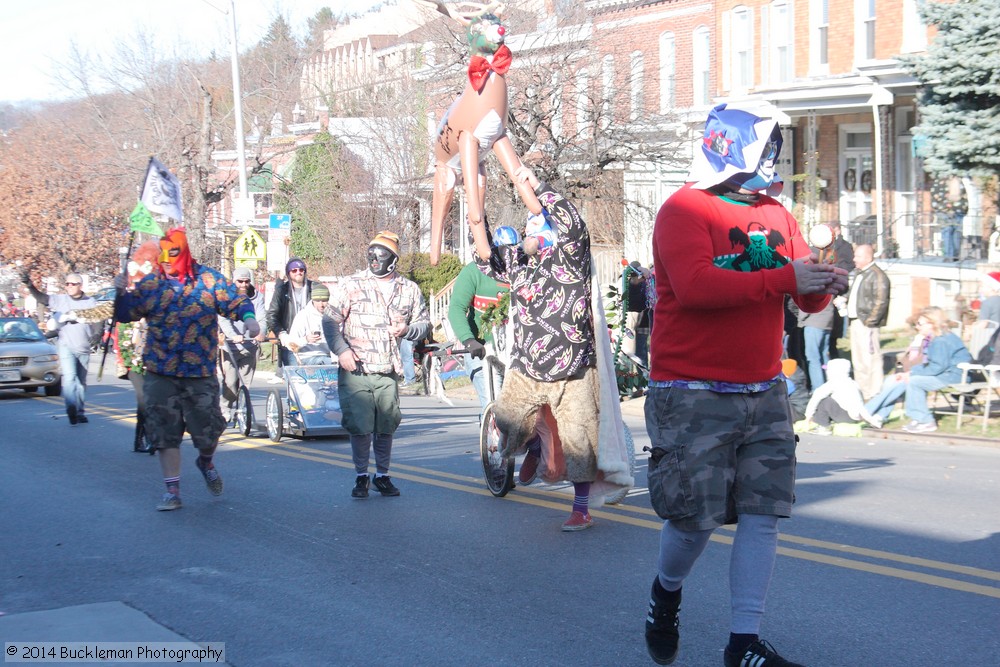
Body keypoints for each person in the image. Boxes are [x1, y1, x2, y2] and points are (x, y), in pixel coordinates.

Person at [642, 104, 848, 667]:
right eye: (766, 146)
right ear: (732, 147)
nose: (774, 157)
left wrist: (823, 283)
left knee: (763, 514)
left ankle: (743, 643)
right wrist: (786, 277)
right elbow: (696, 287)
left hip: (764, 390)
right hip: (692, 390)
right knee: (693, 523)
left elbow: (803, 296)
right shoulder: (684, 207)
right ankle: (666, 593)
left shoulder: (778, 213)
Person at [475, 168, 633, 532]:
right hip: (527, 366)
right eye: (529, 230)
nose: (532, 235)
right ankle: (532, 442)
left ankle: (581, 508)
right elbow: (486, 257)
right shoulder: (519, 265)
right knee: (507, 420)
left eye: (538, 228)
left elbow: (573, 223)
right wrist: (476, 206)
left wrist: (537, 187)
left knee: (580, 439)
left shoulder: (572, 257)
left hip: (573, 367)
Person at [114, 228, 260, 511]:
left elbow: (236, 300)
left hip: (199, 371)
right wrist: (120, 291)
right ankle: (172, 491)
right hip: (160, 371)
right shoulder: (152, 283)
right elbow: (125, 313)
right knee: (164, 432)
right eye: (163, 259)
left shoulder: (208, 280)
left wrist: (250, 320)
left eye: (172, 257)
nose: (167, 263)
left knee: (209, 431)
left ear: (184, 254)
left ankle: (205, 460)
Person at [323, 231, 430, 499]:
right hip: (355, 368)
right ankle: (361, 476)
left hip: (387, 369)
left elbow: (425, 323)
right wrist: (341, 350)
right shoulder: (351, 284)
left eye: (380, 255)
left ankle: (382, 475)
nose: (374, 259)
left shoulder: (409, 289)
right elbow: (329, 321)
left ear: (393, 259)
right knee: (360, 426)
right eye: (371, 253)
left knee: (386, 425)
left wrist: (407, 329)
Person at [863, 306, 971, 433]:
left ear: (932, 323)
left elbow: (937, 367)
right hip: (944, 373)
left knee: (914, 382)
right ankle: (878, 416)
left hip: (954, 376)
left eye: (920, 324)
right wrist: (907, 373)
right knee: (894, 379)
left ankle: (925, 421)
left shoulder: (941, 340)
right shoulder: (934, 338)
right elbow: (931, 365)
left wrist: (912, 373)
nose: (917, 327)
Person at [23, 271, 99, 424]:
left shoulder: (90, 302)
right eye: (67, 284)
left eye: (73, 284)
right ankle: (71, 408)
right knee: (70, 378)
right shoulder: (60, 300)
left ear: (80, 285)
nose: (69, 286)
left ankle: (80, 411)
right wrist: (30, 285)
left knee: (81, 382)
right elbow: (42, 298)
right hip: (66, 344)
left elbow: (98, 319)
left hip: (83, 346)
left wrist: (97, 335)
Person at [446, 261, 509, 410]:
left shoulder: (521, 270)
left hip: (514, 352)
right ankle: (490, 427)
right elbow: (456, 308)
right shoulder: (473, 271)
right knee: (493, 402)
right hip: (482, 350)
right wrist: (469, 340)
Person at [845, 244, 891, 400]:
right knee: (858, 359)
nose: (854, 259)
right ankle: (863, 391)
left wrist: (870, 321)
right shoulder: (860, 273)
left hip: (867, 323)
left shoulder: (877, 275)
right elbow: (856, 295)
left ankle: (874, 391)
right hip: (856, 321)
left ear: (867, 257)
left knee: (870, 358)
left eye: (857, 256)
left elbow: (881, 301)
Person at [218, 266, 263, 422]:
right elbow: (223, 318)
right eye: (240, 281)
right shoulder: (226, 297)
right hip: (230, 346)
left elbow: (262, 318)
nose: (243, 284)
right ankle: (225, 409)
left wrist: (259, 332)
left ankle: (242, 411)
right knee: (230, 382)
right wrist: (233, 335)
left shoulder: (257, 297)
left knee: (245, 384)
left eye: (246, 281)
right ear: (233, 281)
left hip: (250, 346)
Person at [802, 358, 883, 434]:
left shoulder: (834, 382)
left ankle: (824, 427)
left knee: (825, 401)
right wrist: (869, 419)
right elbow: (860, 403)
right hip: (856, 417)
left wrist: (808, 416)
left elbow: (816, 396)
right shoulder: (852, 383)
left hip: (846, 416)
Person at [265, 257, 314, 382]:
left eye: (301, 269)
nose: (298, 272)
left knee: (316, 381)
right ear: (288, 273)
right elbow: (272, 315)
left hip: (313, 341)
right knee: (296, 381)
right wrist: (281, 333)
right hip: (291, 341)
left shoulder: (314, 288)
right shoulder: (282, 291)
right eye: (294, 270)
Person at [280, 283, 334, 365]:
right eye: (317, 301)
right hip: (306, 358)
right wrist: (306, 339)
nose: (321, 304)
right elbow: (291, 344)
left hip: (327, 357)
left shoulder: (334, 317)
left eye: (324, 301)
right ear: (312, 300)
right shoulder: (303, 316)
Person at [826, 221, 854, 361]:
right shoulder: (826, 246)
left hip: (839, 284)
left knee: (836, 323)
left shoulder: (845, 246)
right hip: (829, 284)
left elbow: (849, 265)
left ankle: (834, 351)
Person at [794, 299, 835, 391]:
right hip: (827, 320)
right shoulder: (828, 284)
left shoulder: (814, 285)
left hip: (814, 322)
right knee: (824, 356)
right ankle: (828, 383)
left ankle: (818, 389)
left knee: (813, 358)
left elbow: (808, 303)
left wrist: (800, 319)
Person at [930, 175, 968, 261]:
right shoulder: (940, 182)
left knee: (954, 233)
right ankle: (950, 255)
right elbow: (935, 198)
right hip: (946, 212)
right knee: (949, 232)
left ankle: (953, 255)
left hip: (957, 212)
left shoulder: (958, 181)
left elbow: (964, 197)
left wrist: (963, 209)